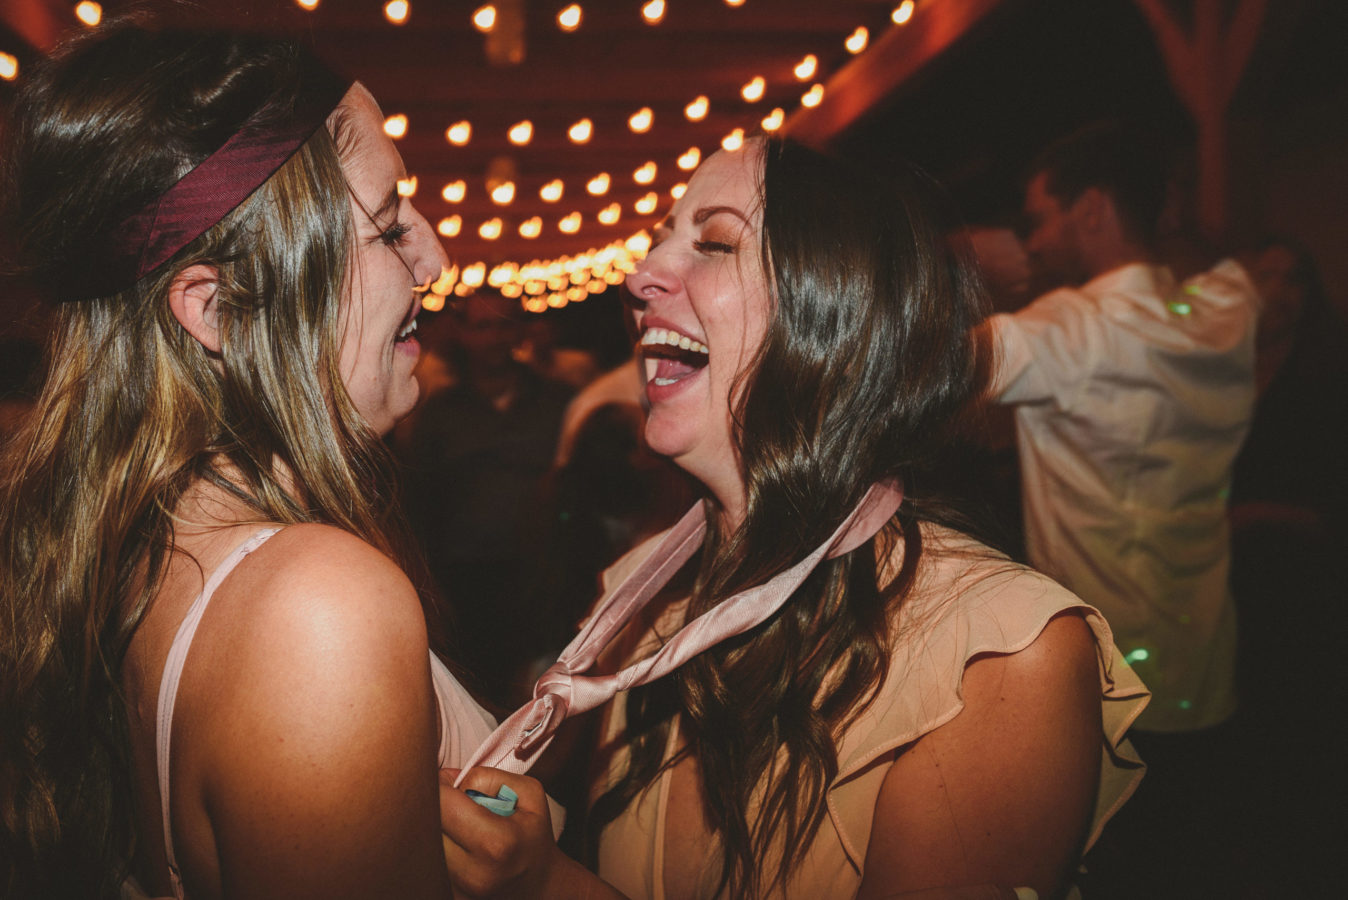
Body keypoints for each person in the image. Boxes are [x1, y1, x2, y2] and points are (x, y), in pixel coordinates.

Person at [485, 136, 1146, 899]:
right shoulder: (635, 596)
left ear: (837, 314)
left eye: (716, 241)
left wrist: (542, 886)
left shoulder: (999, 657)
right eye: (661, 240)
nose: (640, 277)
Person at [0, 24, 561, 900]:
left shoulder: (147, 548)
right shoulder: (316, 608)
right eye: (385, 226)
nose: (437, 258)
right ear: (219, 307)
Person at [983, 121, 1258, 733]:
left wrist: (965, 266)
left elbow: (915, 366)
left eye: (1037, 221)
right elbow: (1220, 261)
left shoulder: (1066, 328)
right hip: (1206, 665)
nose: (1032, 243)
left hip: (1114, 687)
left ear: (1091, 209)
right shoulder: (1226, 306)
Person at [398, 288, 574, 706]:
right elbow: (418, 505)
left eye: (504, 325)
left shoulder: (558, 402)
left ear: (521, 331)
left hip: (546, 582)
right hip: (466, 587)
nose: (494, 337)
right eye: (482, 326)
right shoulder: (440, 412)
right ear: (462, 333)